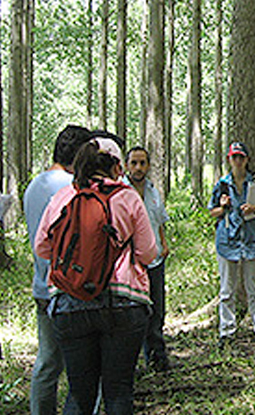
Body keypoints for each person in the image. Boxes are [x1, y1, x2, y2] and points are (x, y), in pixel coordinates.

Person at [34, 137, 158, 415]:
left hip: (69, 302)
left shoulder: (63, 198)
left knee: (78, 394)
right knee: (117, 391)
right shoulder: (128, 197)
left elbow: (42, 248)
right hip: (124, 303)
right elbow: (149, 253)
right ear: (116, 167)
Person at [24, 125, 92, 415]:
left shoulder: (33, 186)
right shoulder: (71, 188)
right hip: (70, 289)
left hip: (42, 284)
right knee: (86, 368)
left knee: (47, 362)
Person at [208, 141, 255, 345]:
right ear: (229, 159)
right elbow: (212, 212)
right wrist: (223, 206)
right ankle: (226, 331)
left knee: (254, 289)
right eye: (234, 157)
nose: (237, 161)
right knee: (227, 290)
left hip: (252, 241)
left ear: (247, 159)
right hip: (228, 242)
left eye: (241, 157)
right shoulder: (222, 184)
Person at [123, 146, 172, 371]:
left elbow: (159, 220)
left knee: (157, 309)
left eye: (142, 163)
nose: (138, 168)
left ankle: (157, 356)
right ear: (126, 166)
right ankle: (131, 361)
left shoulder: (153, 191)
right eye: (134, 163)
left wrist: (163, 243)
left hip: (155, 261)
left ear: (149, 165)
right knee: (134, 312)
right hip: (132, 264)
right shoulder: (121, 192)